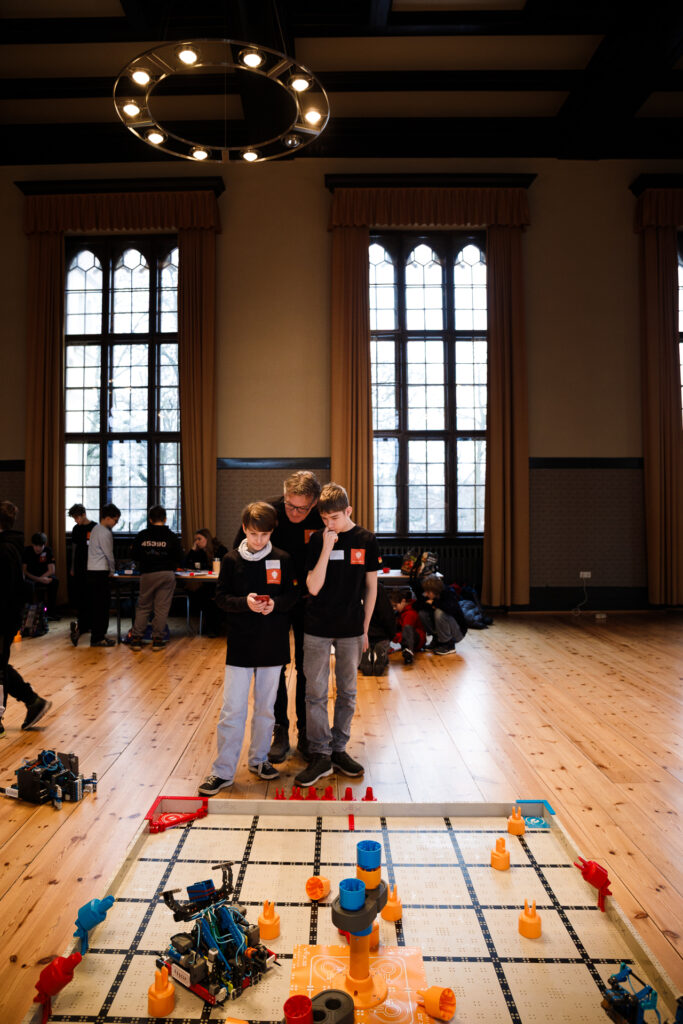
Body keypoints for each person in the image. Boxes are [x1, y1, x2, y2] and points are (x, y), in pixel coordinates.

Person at [199, 502, 298, 795]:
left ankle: (259, 760)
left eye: (265, 535)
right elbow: (220, 598)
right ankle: (223, 771)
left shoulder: (283, 558)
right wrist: (246, 602)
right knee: (233, 710)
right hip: (240, 645)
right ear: (244, 529)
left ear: (272, 532)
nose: (259, 541)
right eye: (254, 534)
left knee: (266, 709)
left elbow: (293, 596)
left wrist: (275, 604)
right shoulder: (230, 560)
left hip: (273, 643)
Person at [233, 470, 323, 765]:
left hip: (309, 603)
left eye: (302, 508)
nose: (294, 512)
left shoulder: (322, 517)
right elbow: (239, 555)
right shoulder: (268, 512)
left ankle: (307, 732)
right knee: (275, 669)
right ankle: (280, 730)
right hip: (273, 605)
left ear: (314, 503)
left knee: (308, 669)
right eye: (289, 504)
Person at [294, 483, 380, 788]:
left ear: (348, 511)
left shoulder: (366, 539)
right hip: (317, 626)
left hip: (351, 628)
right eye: (325, 519)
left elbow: (371, 588)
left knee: (348, 691)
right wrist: (328, 546)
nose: (330, 524)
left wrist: (366, 629)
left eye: (335, 518)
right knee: (314, 693)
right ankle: (320, 754)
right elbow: (313, 587)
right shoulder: (318, 540)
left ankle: (339, 749)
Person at [0, 500, 52, 734]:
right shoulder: (9, 546)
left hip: (3, 618)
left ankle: (29, 703)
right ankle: (33, 701)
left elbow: (8, 589)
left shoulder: (6, 548)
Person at [129, 505, 184, 653]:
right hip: (166, 574)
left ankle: (136, 639)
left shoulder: (142, 535)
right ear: (165, 519)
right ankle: (158, 640)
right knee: (161, 608)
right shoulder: (172, 536)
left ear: (150, 519)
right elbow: (180, 557)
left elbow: (134, 556)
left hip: (147, 574)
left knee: (143, 607)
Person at [86, 502, 121, 647]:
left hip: (91, 570)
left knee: (96, 606)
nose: (115, 523)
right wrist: (113, 571)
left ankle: (97, 636)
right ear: (107, 518)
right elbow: (109, 554)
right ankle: (98, 637)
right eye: (115, 520)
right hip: (101, 572)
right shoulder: (105, 533)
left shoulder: (95, 529)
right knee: (103, 606)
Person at [183, 528, 223, 636]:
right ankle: (208, 628)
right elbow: (185, 565)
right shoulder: (198, 552)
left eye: (199, 539)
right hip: (204, 583)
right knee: (205, 596)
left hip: (218, 584)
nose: (197, 542)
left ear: (207, 539)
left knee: (211, 596)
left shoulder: (220, 549)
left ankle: (211, 628)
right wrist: (192, 550)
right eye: (195, 539)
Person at [415, 575, 468, 655]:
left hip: (458, 632)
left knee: (439, 612)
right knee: (422, 613)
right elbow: (417, 606)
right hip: (444, 630)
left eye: (428, 592)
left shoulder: (449, 593)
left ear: (435, 591)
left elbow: (449, 609)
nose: (426, 594)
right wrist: (424, 600)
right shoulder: (431, 595)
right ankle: (437, 640)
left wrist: (434, 603)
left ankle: (448, 645)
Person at [68, 503, 96, 646]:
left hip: (91, 566)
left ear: (83, 514)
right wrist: (72, 567)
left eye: (76, 517)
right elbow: (74, 549)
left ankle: (90, 623)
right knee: (81, 595)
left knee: (90, 595)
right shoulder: (76, 529)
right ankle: (82, 624)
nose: (75, 520)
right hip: (79, 566)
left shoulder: (95, 527)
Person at [359, 581, 395, 676]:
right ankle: (381, 651)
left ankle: (363, 654)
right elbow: (387, 615)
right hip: (380, 634)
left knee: (356, 648)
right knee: (383, 644)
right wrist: (391, 635)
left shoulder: (351, 586)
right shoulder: (378, 588)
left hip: (358, 634)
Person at [22, 531, 60, 620]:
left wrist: (43, 578)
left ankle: (51, 611)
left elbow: (52, 570)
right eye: (36, 546)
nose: (38, 548)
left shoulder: (48, 550)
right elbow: (24, 571)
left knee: (55, 581)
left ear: (44, 544)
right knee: (28, 585)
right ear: (32, 544)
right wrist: (38, 579)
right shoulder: (27, 551)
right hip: (31, 577)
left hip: (44, 576)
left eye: (40, 546)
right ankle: (30, 613)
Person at [388, 587, 427, 664]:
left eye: (395, 605)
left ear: (403, 601)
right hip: (410, 637)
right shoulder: (401, 612)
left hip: (417, 640)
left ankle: (408, 652)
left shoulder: (410, 614)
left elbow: (406, 632)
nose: (394, 608)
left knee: (406, 629)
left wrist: (393, 636)